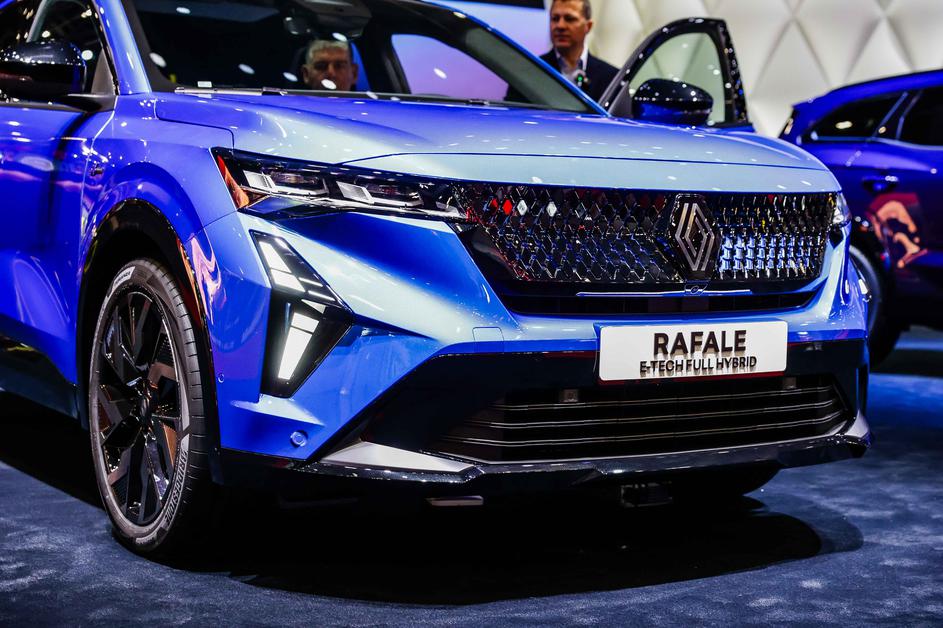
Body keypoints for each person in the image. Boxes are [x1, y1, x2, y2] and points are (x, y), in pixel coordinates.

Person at [541, 0, 617, 102]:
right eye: (555, 18)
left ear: (588, 26)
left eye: (569, 19)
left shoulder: (612, 79)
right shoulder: (532, 71)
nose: (560, 26)